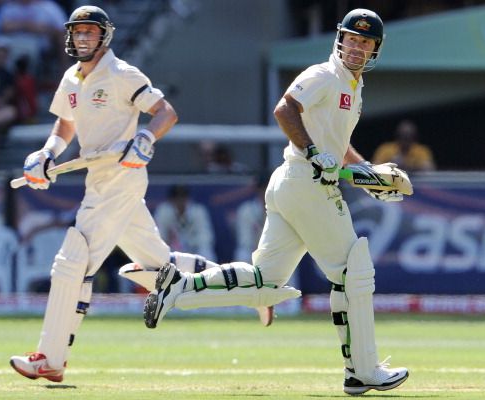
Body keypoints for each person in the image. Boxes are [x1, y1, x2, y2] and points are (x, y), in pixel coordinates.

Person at [143, 9, 409, 396]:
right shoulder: (324, 75)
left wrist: (363, 169)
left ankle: (178, 288)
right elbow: (285, 109)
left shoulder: (353, 86)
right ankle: (362, 370)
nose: (356, 47)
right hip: (306, 182)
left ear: (375, 49)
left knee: (266, 282)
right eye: (351, 39)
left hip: (294, 183)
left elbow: (336, 143)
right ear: (340, 39)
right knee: (354, 270)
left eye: (364, 42)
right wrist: (315, 153)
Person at [9, 5, 270, 384]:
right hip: (98, 178)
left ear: (104, 36)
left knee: (71, 261)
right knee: (162, 267)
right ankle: (250, 287)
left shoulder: (120, 73)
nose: (82, 38)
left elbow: (165, 112)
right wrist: (47, 153)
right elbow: (66, 125)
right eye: (77, 32)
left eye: (89, 32)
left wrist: (146, 137)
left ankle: (50, 358)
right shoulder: (72, 78)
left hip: (121, 177)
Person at [154, 184, 217, 262]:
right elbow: (159, 237)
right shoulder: (163, 211)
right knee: (158, 252)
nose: (180, 200)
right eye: (176, 197)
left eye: (183, 197)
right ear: (171, 199)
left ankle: (206, 273)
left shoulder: (198, 211)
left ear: (188, 198)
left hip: (194, 249)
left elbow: (206, 237)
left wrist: (190, 243)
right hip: (172, 250)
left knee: (206, 251)